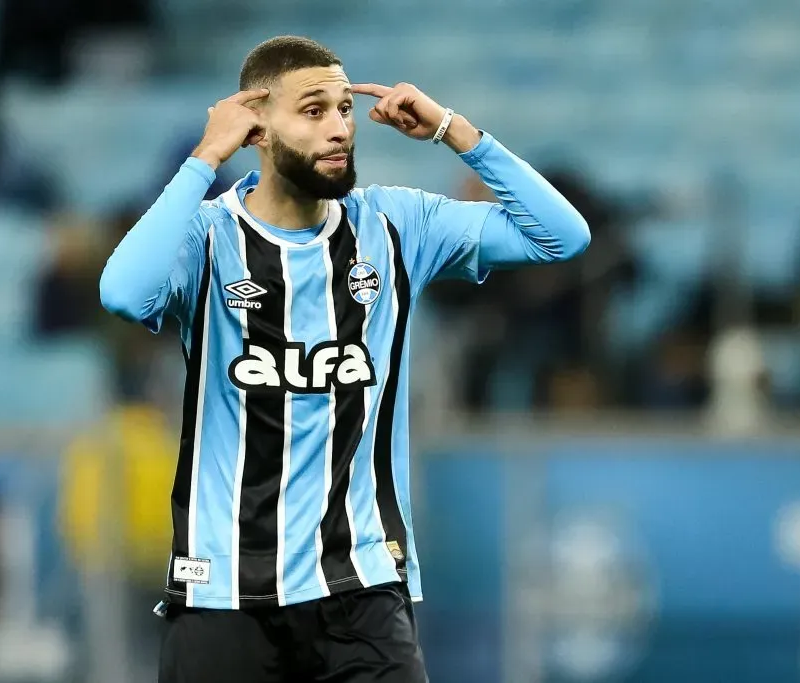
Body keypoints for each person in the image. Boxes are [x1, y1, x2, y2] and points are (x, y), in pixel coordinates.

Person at [99, 35, 591, 683]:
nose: (338, 128)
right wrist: (203, 156)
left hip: (361, 589)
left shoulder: (395, 225)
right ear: (258, 128)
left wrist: (453, 129)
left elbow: (563, 236)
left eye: (344, 108)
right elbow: (123, 292)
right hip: (224, 594)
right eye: (312, 110)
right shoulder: (208, 237)